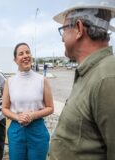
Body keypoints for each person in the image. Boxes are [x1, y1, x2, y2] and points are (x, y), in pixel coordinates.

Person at [49, 1, 115, 159]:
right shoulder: (92, 72)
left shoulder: (107, 78)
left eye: (63, 30)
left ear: (78, 28)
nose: (62, 38)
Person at [2, 42, 54, 160]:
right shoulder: (9, 82)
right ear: (15, 60)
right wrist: (17, 117)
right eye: (21, 54)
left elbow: (50, 107)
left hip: (37, 129)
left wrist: (33, 115)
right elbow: (4, 108)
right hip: (16, 130)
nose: (25, 55)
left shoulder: (42, 80)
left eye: (27, 52)